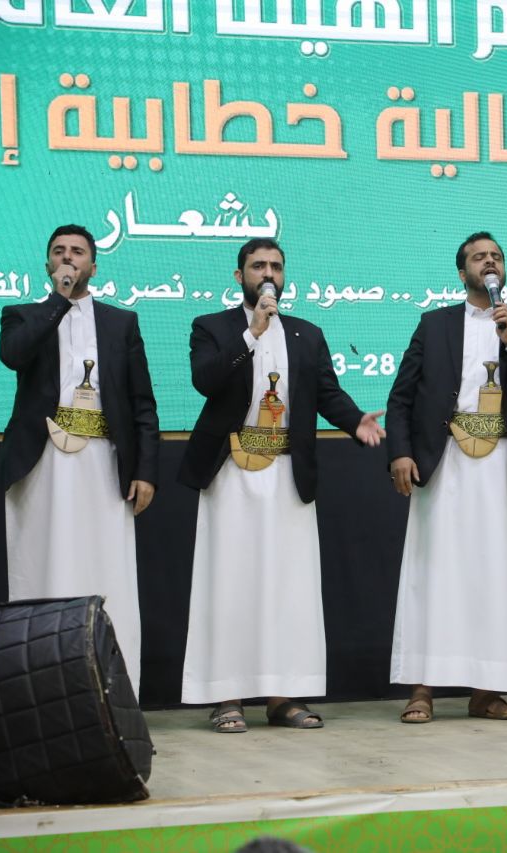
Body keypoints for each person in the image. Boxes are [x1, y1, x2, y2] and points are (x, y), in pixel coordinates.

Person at [178, 238, 385, 732]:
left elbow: (326, 392)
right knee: (229, 583)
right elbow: (205, 380)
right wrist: (251, 333)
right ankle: (226, 696)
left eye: (275, 266)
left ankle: (282, 696)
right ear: (240, 276)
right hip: (231, 470)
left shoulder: (306, 334)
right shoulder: (211, 327)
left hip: (288, 472)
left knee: (288, 587)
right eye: (258, 266)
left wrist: (354, 420)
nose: (267, 273)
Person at [386, 231, 507, 723]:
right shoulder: (434, 324)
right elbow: (402, 396)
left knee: (500, 576)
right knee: (434, 573)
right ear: (462, 271)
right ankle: (422, 688)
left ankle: (487, 692)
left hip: (506, 465)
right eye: (479, 257)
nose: (489, 262)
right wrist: (400, 451)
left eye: (497, 256)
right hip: (445, 460)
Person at [0, 224, 159, 697]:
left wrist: (145, 470)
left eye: (77, 252)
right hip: (43, 464)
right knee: (43, 571)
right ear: (48, 263)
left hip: (104, 464)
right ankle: (40, 692)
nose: (68, 258)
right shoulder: (22, 315)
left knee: (107, 574)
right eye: (59, 252)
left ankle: (112, 692)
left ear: (94, 265)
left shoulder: (121, 323)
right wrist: (58, 301)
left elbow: (142, 403)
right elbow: (14, 356)